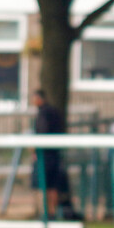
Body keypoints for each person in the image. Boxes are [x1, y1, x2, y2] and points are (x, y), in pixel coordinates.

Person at [31, 89, 73, 218]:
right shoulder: (54, 111)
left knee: (46, 185)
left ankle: (48, 213)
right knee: (53, 185)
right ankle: (53, 212)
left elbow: (43, 132)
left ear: (39, 98)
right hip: (55, 152)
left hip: (45, 154)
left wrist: (35, 149)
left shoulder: (44, 113)